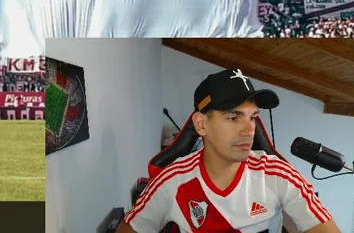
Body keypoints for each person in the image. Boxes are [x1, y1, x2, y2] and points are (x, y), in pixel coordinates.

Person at [119, 69, 339, 233]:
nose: (249, 130)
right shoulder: (172, 181)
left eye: (252, 117)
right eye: (233, 117)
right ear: (201, 124)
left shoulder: (278, 175)